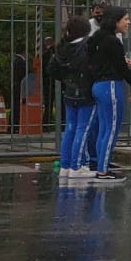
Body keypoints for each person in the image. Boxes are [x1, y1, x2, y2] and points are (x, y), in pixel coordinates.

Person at [86, 6, 131, 181]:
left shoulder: (97, 38)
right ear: (115, 21)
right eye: (125, 19)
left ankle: (100, 164)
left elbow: (103, 62)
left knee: (104, 128)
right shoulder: (113, 41)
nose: (128, 22)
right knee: (111, 128)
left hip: (99, 85)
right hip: (111, 86)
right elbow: (122, 68)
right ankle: (103, 170)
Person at [49, 16, 96, 182]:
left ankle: (65, 165)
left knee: (70, 128)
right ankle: (77, 166)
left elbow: (52, 69)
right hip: (85, 92)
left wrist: (66, 79)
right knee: (83, 129)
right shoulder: (86, 46)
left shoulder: (62, 47)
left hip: (69, 91)